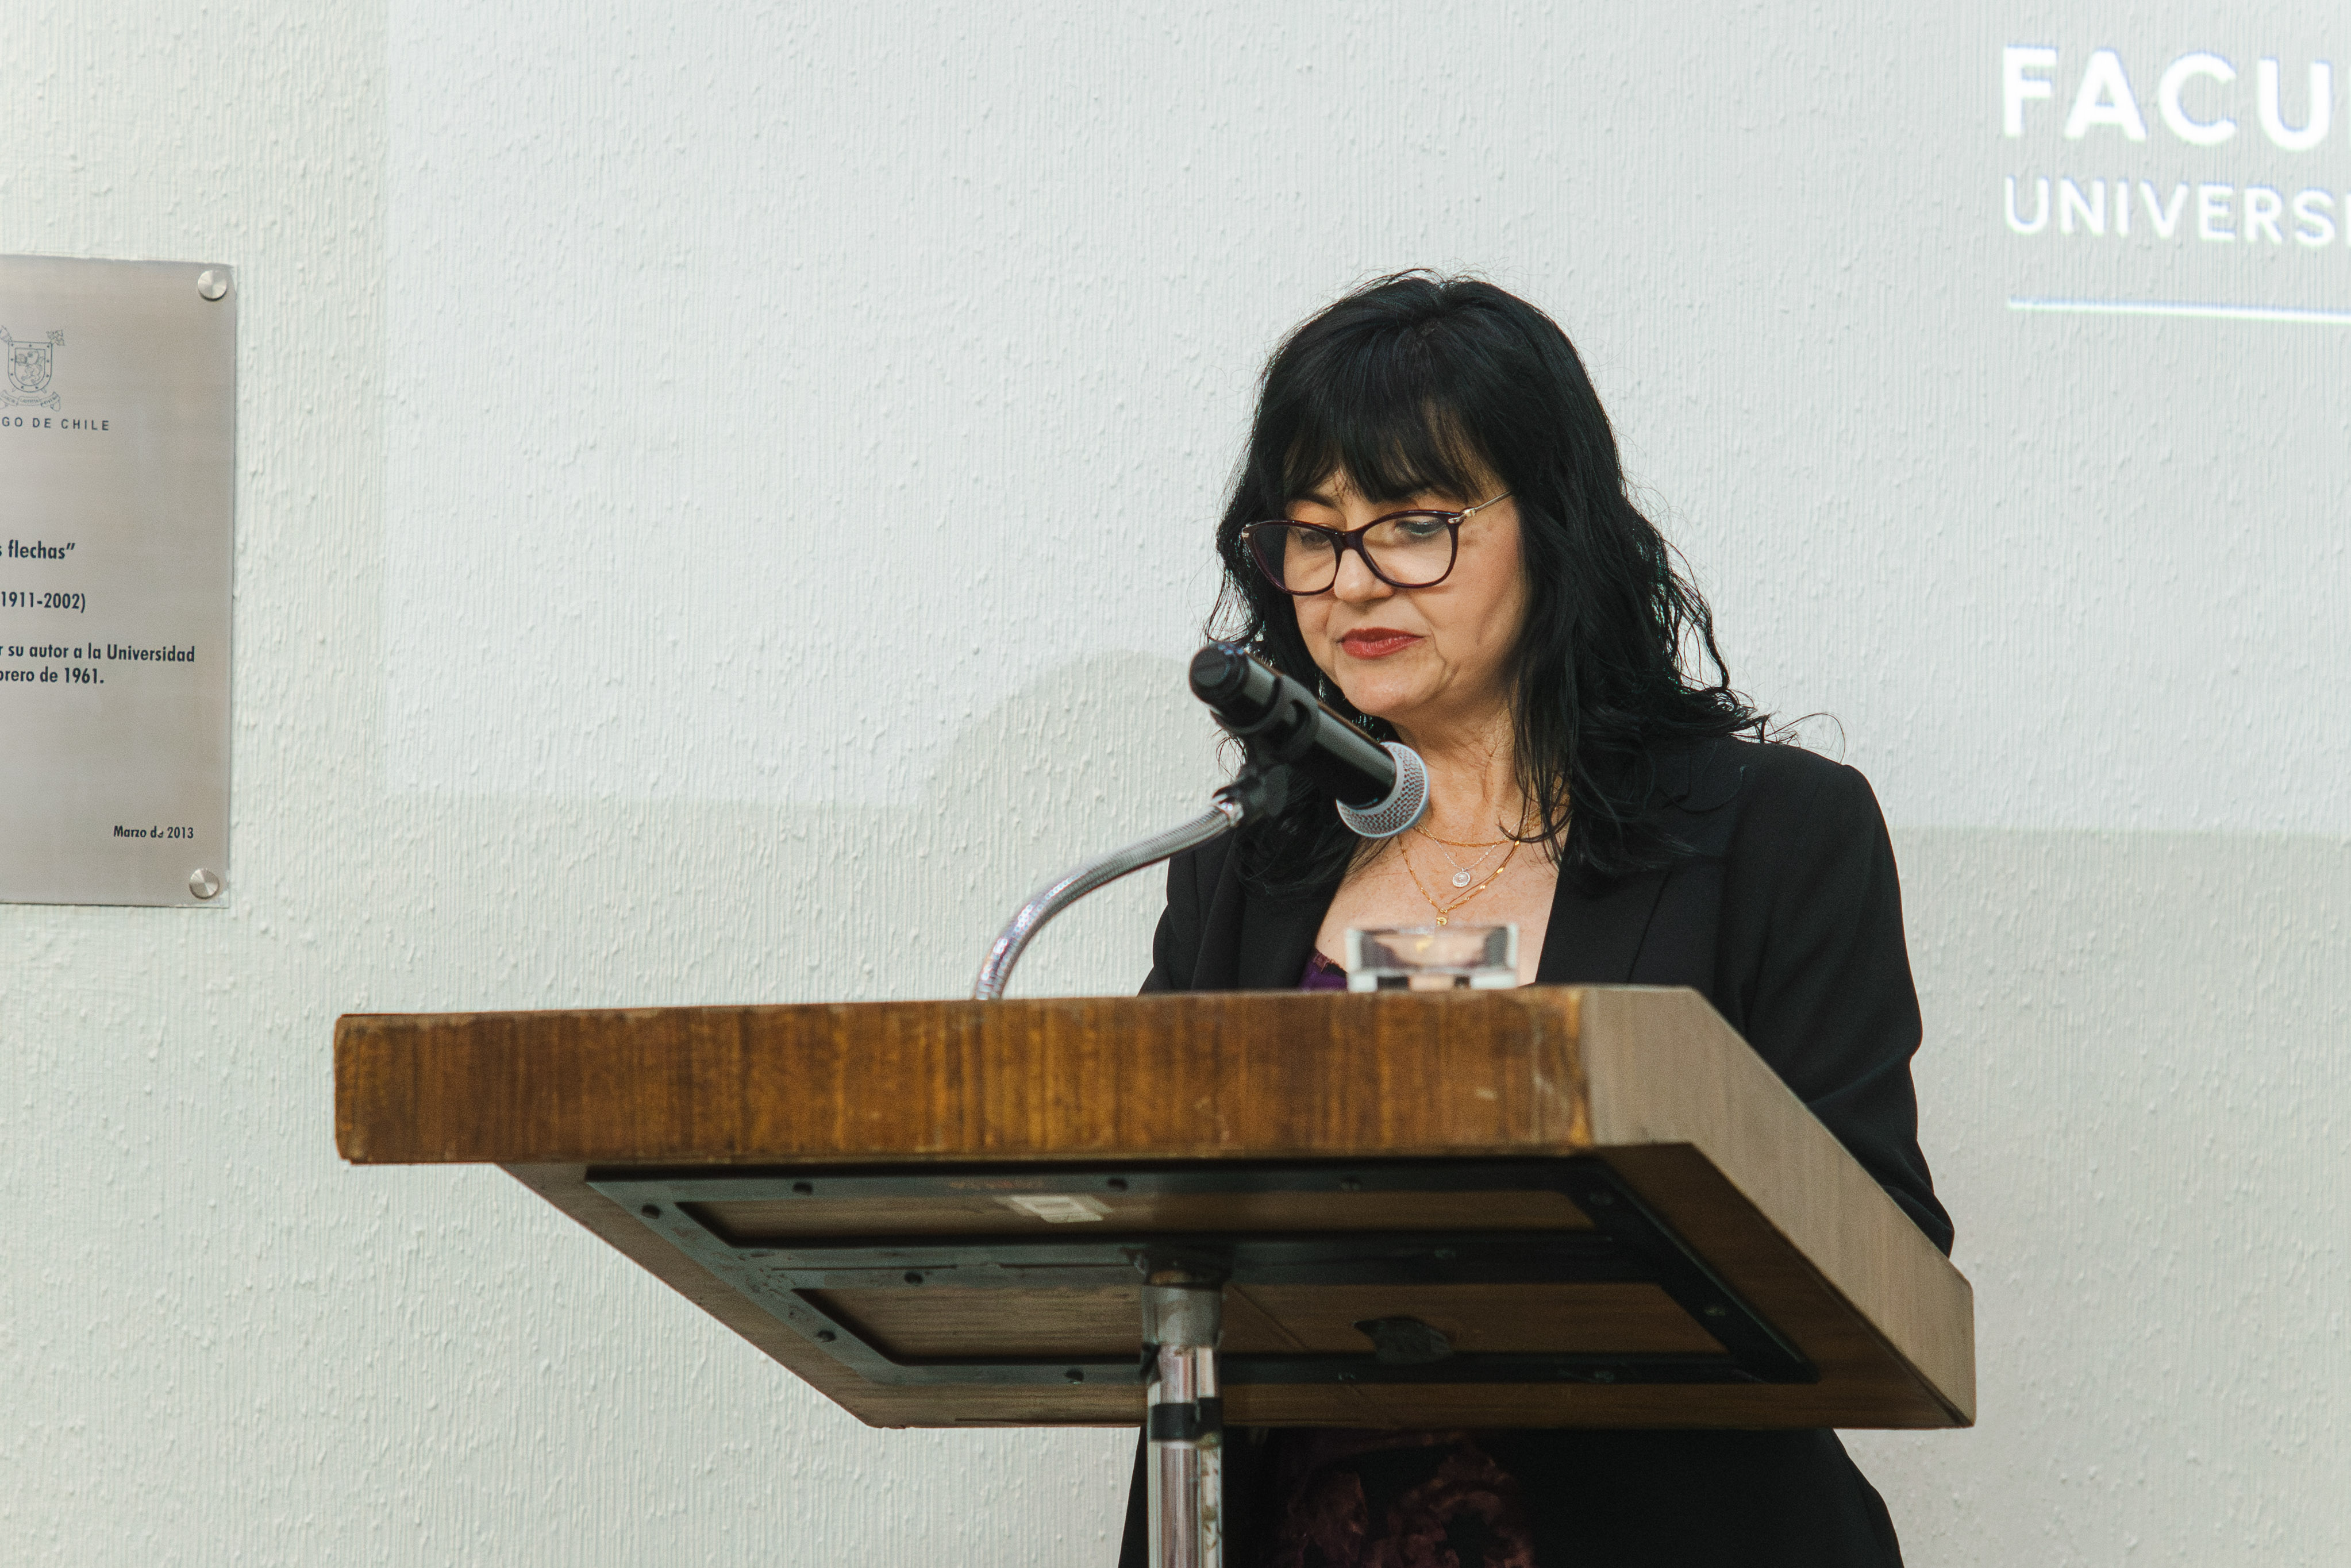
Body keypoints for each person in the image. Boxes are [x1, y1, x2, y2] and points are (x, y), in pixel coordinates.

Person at [1120, 273, 1951, 1568]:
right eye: (1314, 534)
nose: (1353, 582)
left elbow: (1883, 1246)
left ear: (1553, 528)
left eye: (1413, 524)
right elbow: (1143, 1225)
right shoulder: (1246, 870)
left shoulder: (1770, 834)